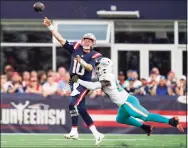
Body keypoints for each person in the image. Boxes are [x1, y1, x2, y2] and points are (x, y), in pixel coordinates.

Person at [71, 57, 184, 135]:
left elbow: (93, 86)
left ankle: (171, 121)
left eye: (98, 66)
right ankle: (146, 127)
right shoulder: (105, 76)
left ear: (104, 67)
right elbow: (91, 76)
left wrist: (78, 80)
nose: (97, 68)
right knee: (120, 118)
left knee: (146, 116)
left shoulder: (107, 77)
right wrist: (81, 63)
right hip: (123, 104)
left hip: (127, 102)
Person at [43, 17, 104, 145]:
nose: (87, 42)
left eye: (89, 40)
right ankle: (97, 134)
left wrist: (81, 61)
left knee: (72, 104)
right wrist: (50, 27)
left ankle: (74, 131)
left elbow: (89, 67)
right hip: (74, 81)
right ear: (82, 41)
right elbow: (61, 39)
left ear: (93, 43)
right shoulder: (76, 47)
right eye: (85, 39)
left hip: (84, 82)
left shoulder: (95, 55)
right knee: (81, 109)